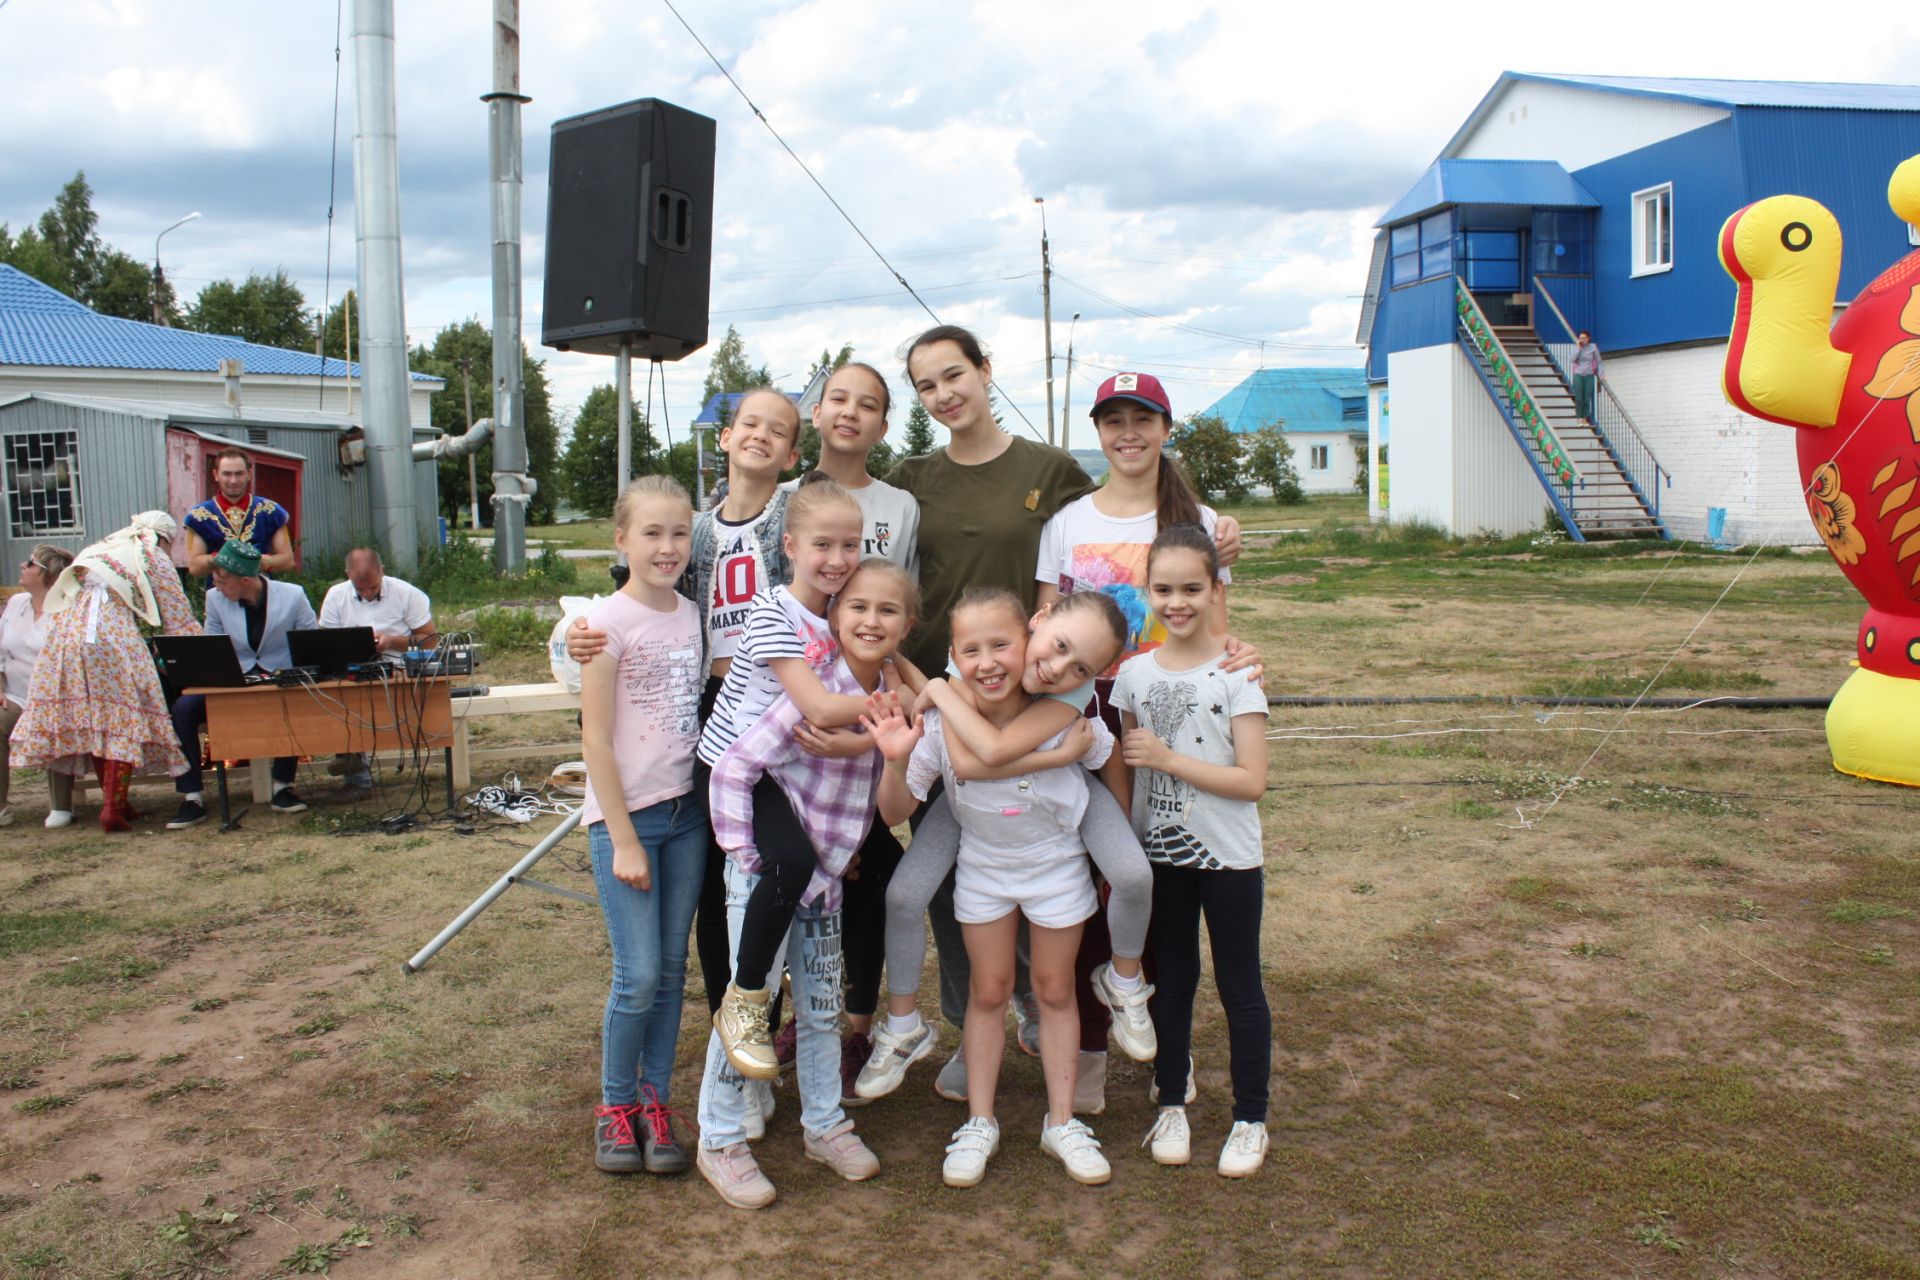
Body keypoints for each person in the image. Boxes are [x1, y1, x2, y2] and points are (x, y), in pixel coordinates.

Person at [1032, 370, 1256, 1109]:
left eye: (1143, 419)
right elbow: (1047, 626)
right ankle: (1090, 1046)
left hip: (1171, 721)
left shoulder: (1202, 519)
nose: (1128, 434)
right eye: (1113, 420)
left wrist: (1243, 660)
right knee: (1085, 878)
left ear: (1167, 428)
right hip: (1088, 714)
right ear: (1097, 432)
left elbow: (1217, 633)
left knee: (1163, 883)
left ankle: (1173, 1051)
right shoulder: (1066, 521)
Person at [869, 586, 1129, 1189]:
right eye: (971, 650)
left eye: (1001, 647)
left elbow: (1107, 763)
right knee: (988, 991)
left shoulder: (1065, 711)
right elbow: (893, 811)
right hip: (984, 868)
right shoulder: (940, 721)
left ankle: (1061, 1122)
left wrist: (1116, 844)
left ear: (1027, 640)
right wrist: (893, 757)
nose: (988, 663)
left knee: (1054, 990)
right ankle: (979, 1121)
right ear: (954, 656)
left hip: (1057, 866)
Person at [694, 558, 916, 1209]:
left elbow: (894, 811)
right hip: (765, 877)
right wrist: (745, 852)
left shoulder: (893, 700)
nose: (872, 621)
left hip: (826, 881)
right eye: (859, 608)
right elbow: (735, 766)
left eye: (888, 610)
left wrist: (891, 756)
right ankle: (720, 1137)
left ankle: (824, 1124)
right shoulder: (812, 691)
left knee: (821, 1009)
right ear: (835, 617)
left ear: (907, 625)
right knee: (749, 1003)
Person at [705, 476, 886, 1082]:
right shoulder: (771, 613)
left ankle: (791, 1045)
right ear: (790, 545)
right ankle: (746, 1000)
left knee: (811, 873)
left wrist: (922, 686)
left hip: (790, 771)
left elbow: (889, 660)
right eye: (822, 545)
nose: (837, 560)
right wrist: (891, 720)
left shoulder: (838, 611)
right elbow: (820, 707)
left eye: (850, 546)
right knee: (789, 863)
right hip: (744, 766)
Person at [1109, 524, 1272, 1178]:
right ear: (1145, 591)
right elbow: (1124, 765)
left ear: (1214, 590)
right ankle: (1170, 1102)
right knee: (1172, 981)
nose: (1177, 602)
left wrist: (1170, 759)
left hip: (1230, 861)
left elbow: (1252, 780)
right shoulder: (1133, 673)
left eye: (1192, 589)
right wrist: (1123, 832)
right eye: (1163, 589)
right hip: (1161, 858)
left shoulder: (1238, 672)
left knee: (1240, 986)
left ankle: (1250, 1118)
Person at [778, 361, 920, 1087]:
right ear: (816, 409)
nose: (851, 414)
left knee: (867, 868)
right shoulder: (784, 497)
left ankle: (855, 1026)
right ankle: (774, 1013)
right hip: (794, 709)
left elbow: (894, 606)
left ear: (884, 423)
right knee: (783, 872)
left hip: (866, 707)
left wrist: (905, 695)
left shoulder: (900, 503)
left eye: (870, 405)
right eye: (838, 399)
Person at [578, 476, 708, 1180]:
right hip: (628, 822)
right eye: (652, 533)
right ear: (621, 538)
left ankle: (658, 1106)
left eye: (679, 533)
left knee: (670, 973)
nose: (667, 547)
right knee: (636, 976)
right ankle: (614, 1106)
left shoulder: (692, 613)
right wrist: (624, 837)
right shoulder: (604, 624)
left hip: (687, 816)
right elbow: (595, 739)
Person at [11, 511, 201, 832]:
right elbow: (177, 615)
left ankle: (119, 801)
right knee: (121, 718)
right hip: (108, 633)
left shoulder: (100, 547)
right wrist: (195, 653)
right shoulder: (152, 554)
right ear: (164, 538)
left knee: (97, 717)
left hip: (64, 636)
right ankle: (112, 808)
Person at [166, 540, 315, 829]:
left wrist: (292, 672)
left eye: (222, 581)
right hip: (233, 680)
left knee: (293, 699)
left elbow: (310, 639)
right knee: (183, 709)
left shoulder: (293, 596)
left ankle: (282, 787)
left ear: (245, 580)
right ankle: (191, 796)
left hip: (279, 678)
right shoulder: (214, 599)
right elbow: (213, 647)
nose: (217, 586)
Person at [316, 546, 439, 795]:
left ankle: (353, 762)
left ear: (382, 571)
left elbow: (430, 639)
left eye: (372, 587)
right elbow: (325, 642)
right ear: (347, 574)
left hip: (398, 669)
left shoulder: (406, 593)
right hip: (351, 672)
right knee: (337, 695)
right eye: (360, 589)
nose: (367, 593)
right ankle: (353, 764)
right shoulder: (336, 596)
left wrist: (392, 641)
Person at [0, 543, 77, 827]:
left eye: (30, 563)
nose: (22, 566)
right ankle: (0, 807)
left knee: (55, 720)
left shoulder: (68, 611)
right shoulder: (16, 603)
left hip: (55, 698)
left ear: (50, 575)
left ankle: (62, 805)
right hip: (15, 695)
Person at [182, 447, 295, 578]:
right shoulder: (200, 516)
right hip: (219, 593)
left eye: (239, 473)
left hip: (261, 593)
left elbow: (288, 561)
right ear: (216, 475)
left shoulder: (270, 511)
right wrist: (225, 558)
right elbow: (195, 567)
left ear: (249, 474)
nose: (233, 480)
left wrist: (261, 561)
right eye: (227, 474)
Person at [1570, 330, 1602, 423]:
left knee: (1586, 397)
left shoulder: (1593, 347)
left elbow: (1599, 362)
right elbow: (1572, 359)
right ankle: (1579, 416)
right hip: (1578, 374)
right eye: (1580, 338)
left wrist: (1601, 375)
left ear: (1588, 338)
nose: (1582, 340)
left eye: (1584, 338)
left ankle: (1585, 417)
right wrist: (1578, 348)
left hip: (1589, 374)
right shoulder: (1576, 347)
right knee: (1579, 397)